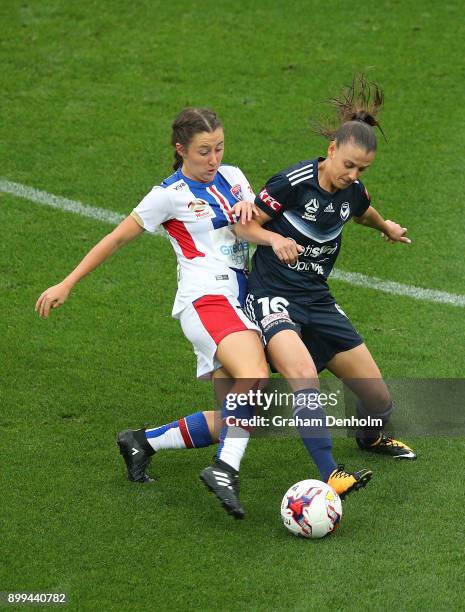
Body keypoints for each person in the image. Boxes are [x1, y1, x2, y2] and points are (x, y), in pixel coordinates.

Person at [35, 107, 372, 520]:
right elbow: (117, 239)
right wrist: (67, 283)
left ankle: (142, 441)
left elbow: (252, 218)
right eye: (203, 152)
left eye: (219, 148)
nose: (214, 159)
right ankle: (227, 470)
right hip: (207, 300)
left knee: (241, 412)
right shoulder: (167, 195)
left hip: (244, 300)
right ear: (181, 151)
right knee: (255, 378)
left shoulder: (233, 176)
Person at [232, 74, 416, 485]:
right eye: (348, 164)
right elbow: (244, 228)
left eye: (362, 168)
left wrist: (386, 227)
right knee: (304, 378)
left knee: (378, 399)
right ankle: (331, 473)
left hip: (317, 298)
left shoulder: (354, 191)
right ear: (331, 150)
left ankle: (370, 439)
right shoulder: (292, 183)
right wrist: (274, 238)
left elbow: (362, 211)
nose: (352, 174)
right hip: (274, 295)